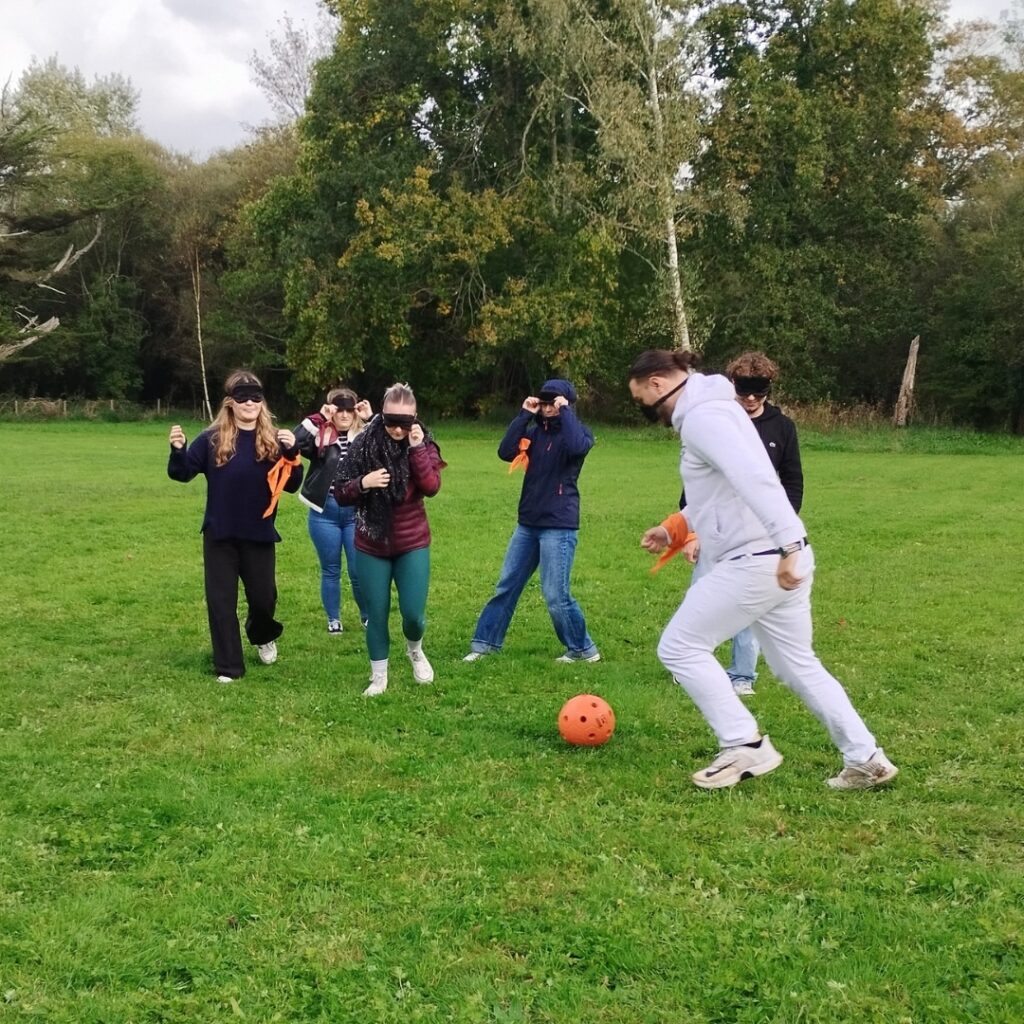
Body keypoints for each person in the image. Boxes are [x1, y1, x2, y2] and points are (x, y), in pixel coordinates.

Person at [629, 349, 897, 791]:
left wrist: (789, 542)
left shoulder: (703, 418)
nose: (649, 412)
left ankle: (743, 745)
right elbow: (723, 490)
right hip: (775, 558)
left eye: (644, 402)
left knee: (679, 647)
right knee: (798, 665)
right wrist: (675, 526)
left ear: (659, 384)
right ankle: (866, 758)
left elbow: (757, 479)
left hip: (759, 559)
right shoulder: (718, 410)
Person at [647, 351, 803, 696]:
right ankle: (692, 663)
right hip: (714, 529)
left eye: (757, 394)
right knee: (702, 596)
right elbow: (696, 485)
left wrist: (783, 534)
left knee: (748, 607)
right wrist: (689, 532)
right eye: (743, 392)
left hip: (760, 537)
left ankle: (742, 675)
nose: (749, 400)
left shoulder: (782, 428)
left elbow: (790, 484)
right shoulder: (717, 418)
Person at [168, 370, 303, 683]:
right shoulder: (212, 439)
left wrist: (293, 453)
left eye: (256, 397)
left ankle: (262, 634)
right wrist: (178, 450)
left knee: (263, 599)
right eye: (242, 397)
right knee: (221, 602)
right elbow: (183, 472)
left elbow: (293, 483)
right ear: (230, 402)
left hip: (259, 534)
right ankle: (229, 666)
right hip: (220, 535)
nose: (250, 403)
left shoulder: (273, 441)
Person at [464, 379, 600, 664]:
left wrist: (566, 412)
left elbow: (576, 447)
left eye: (555, 402)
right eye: (545, 401)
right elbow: (505, 451)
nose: (548, 407)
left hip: (558, 525)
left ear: (566, 404)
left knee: (554, 594)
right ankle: (485, 644)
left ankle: (582, 649)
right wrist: (524, 414)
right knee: (507, 584)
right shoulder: (535, 434)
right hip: (528, 523)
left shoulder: (578, 434)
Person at [333, 383, 445, 696]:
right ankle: (379, 676)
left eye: (404, 423)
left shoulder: (423, 442)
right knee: (376, 613)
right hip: (371, 541)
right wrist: (363, 483)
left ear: (415, 418)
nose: (397, 429)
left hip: (412, 542)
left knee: (413, 614)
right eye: (390, 421)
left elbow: (431, 486)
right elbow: (340, 490)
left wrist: (417, 448)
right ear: (381, 416)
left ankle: (415, 649)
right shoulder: (364, 443)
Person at [293, 388, 372, 633]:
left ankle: (367, 615)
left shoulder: (364, 435)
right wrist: (318, 417)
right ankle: (333, 619)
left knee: (358, 570)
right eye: (340, 409)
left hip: (354, 512)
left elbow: (388, 438)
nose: (346, 415)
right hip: (324, 512)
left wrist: (370, 418)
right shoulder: (322, 435)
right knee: (330, 569)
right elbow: (294, 442)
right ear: (331, 410)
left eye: (350, 409)